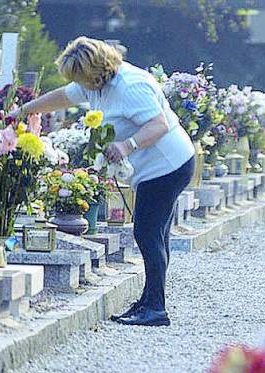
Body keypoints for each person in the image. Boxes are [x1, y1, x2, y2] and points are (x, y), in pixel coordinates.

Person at [19, 37, 195, 327]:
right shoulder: (97, 82)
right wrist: (27, 110)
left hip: (167, 166)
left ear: (95, 71)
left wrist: (127, 146)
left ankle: (155, 308)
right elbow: (65, 95)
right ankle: (150, 300)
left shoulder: (130, 86)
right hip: (156, 168)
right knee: (155, 234)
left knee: (147, 233)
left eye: (82, 78)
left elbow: (159, 125)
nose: (81, 85)